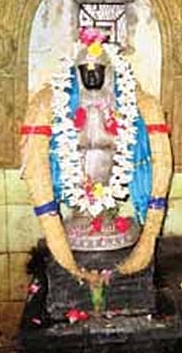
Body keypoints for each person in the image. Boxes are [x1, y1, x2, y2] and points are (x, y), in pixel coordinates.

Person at [21, 26, 172, 285]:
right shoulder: (54, 104)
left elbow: (160, 161)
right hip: (75, 210)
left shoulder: (134, 105)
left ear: (110, 71)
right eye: (85, 70)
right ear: (75, 71)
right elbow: (36, 165)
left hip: (112, 205)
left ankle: (107, 219)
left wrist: (148, 235)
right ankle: (83, 221)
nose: (91, 75)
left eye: (98, 69)